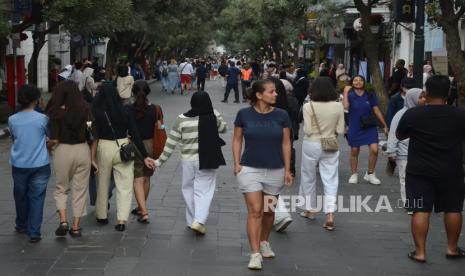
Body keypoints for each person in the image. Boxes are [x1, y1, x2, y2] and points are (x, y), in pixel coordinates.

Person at [396, 75, 465, 263]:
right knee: (453, 209)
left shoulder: (413, 114)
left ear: (426, 92)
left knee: (420, 209)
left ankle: (420, 252)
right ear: (448, 92)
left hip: (419, 169)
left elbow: (400, 135)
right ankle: (452, 248)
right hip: (451, 169)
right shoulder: (460, 115)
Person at [232, 79, 293, 270]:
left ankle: (264, 241)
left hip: (275, 169)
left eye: (275, 91)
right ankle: (255, 254)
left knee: (269, 211)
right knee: (255, 211)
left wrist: (287, 169)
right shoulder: (243, 114)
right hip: (250, 169)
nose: (276, 94)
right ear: (259, 95)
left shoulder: (282, 115)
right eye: (271, 91)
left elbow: (286, 143)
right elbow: (236, 139)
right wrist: (236, 163)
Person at [155, 91, 227, 234]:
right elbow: (223, 128)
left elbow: (171, 143)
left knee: (187, 189)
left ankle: (191, 220)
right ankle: (198, 220)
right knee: (204, 191)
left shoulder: (181, 119)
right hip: (207, 158)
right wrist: (215, 113)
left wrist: (159, 161)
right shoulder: (211, 116)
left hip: (188, 160)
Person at [91, 84, 155, 231]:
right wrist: (145, 156)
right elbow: (135, 133)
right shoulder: (125, 110)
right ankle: (121, 220)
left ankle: (102, 215)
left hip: (105, 147)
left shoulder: (97, 111)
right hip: (123, 147)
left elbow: (94, 134)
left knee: (102, 183)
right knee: (125, 186)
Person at [46, 81, 93, 237]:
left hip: (63, 150)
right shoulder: (86, 108)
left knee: (61, 188)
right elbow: (92, 131)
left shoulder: (56, 112)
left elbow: (54, 139)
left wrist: (47, 144)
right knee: (80, 190)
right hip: (82, 150)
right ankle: (76, 226)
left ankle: (64, 221)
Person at [299, 77, 344, 229]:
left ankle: (310, 210)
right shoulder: (338, 106)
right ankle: (330, 213)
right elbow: (340, 130)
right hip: (330, 143)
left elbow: (308, 130)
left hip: (311, 143)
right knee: (331, 179)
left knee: (308, 177)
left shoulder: (308, 106)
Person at [9, 85, 51, 243]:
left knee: (20, 195)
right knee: (37, 197)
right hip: (40, 163)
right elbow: (50, 137)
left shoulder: (12, 119)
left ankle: (21, 224)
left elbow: (14, 138)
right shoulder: (43, 119)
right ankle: (34, 232)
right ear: (36, 100)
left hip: (19, 163)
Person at [343, 75, 388, 185]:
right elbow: (345, 107)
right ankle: (354, 174)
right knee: (354, 150)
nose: (358, 82)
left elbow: (376, 110)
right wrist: (345, 92)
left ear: (364, 82)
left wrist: (384, 125)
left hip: (369, 126)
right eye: (355, 80)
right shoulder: (350, 95)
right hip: (354, 125)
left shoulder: (369, 95)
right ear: (352, 82)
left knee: (374, 149)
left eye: (360, 80)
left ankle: (370, 174)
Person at [386, 88, 425, 208]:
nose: (424, 99)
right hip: (404, 153)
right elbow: (393, 133)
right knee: (405, 179)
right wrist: (391, 151)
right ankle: (408, 202)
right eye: (421, 97)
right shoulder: (401, 114)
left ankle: (417, 201)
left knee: (419, 179)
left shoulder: (424, 112)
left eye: (424, 96)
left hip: (420, 153)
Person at [127, 81, 159, 224]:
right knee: (146, 178)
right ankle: (141, 208)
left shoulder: (128, 109)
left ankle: (143, 211)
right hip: (151, 144)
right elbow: (161, 127)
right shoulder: (155, 109)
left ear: (133, 92)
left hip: (134, 145)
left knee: (137, 179)